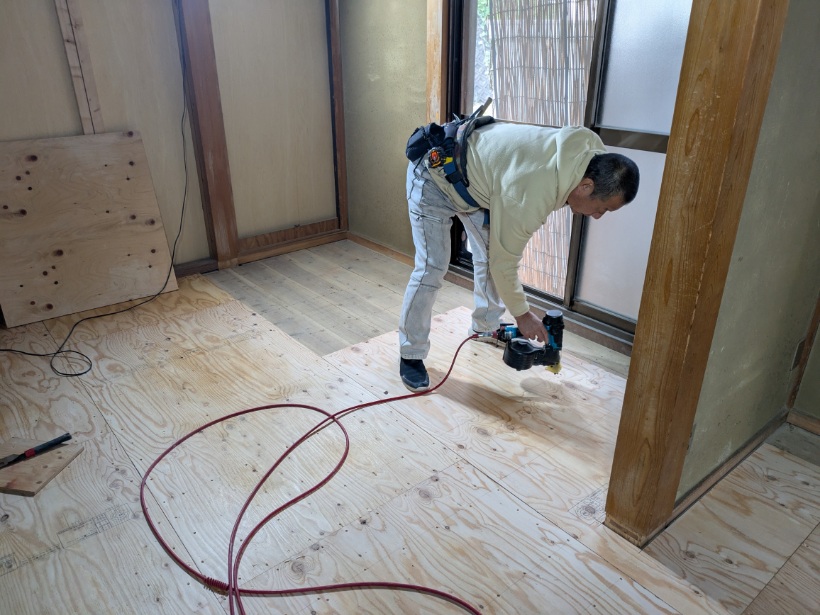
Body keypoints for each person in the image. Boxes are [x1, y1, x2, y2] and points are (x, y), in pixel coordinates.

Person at [398, 121, 639, 392]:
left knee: (489, 254)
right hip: (434, 176)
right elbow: (504, 263)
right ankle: (411, 353)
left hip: (473, 182)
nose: (597, 216)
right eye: (602, 208)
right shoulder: (532, 192)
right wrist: (523, 315)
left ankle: (484, 327)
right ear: (585, 186)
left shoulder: (590, 153)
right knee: (432, 268)